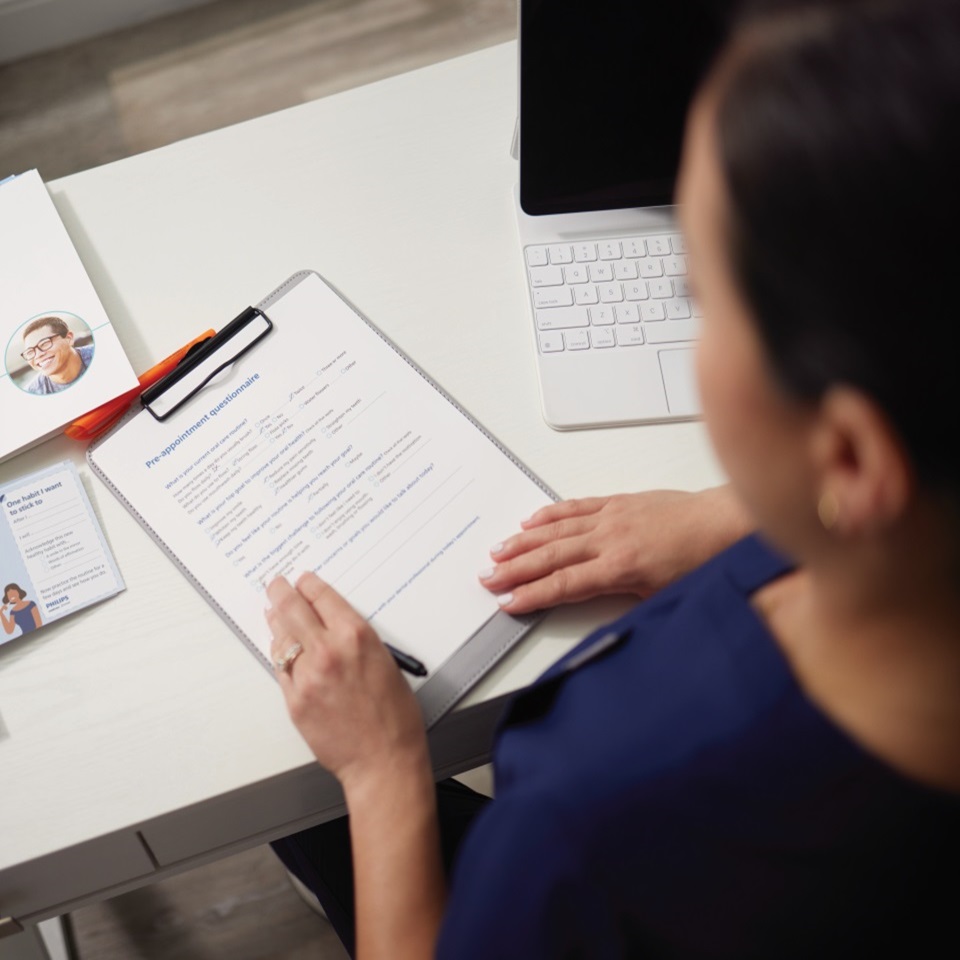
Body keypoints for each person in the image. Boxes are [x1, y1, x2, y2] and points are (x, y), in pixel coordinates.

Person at [263, 0, 960, 956]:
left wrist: (382, 773)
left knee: (283, 790)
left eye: (700, 298)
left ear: (850, 457)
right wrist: (729, 520)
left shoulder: (601, 818)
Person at [20, 315, 94, 395]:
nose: (38, 355)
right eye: (30, 352)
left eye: (44, 343)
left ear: (69, 338)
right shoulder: (32, 393)